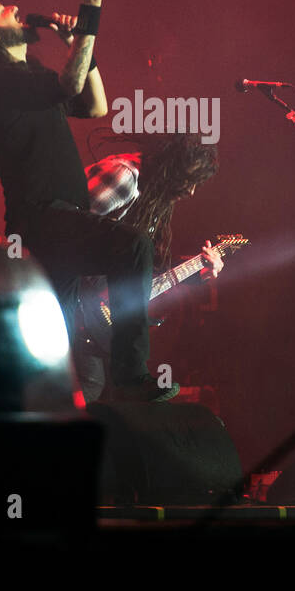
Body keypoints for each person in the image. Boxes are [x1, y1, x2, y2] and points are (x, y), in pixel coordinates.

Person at [0, 0, 178, 402]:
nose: (12, 7)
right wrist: (90, 17)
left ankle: (33, 414)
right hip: (44, 218)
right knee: (133, 247)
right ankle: (130, 376)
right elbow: (71, 81)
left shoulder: (26, 75)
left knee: (68, 355)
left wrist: (77, 43)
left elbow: (95, 104)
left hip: (57, 219)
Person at [74, 133, 223, 400]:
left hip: (95, 321)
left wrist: (198, 272)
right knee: (84, 397)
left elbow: (135, 269)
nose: (190, 192)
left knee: (105, 409)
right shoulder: (125, 178)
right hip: (70, 307)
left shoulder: (153, 198)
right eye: (189, 182)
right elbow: (63, 232)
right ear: (171, 168)